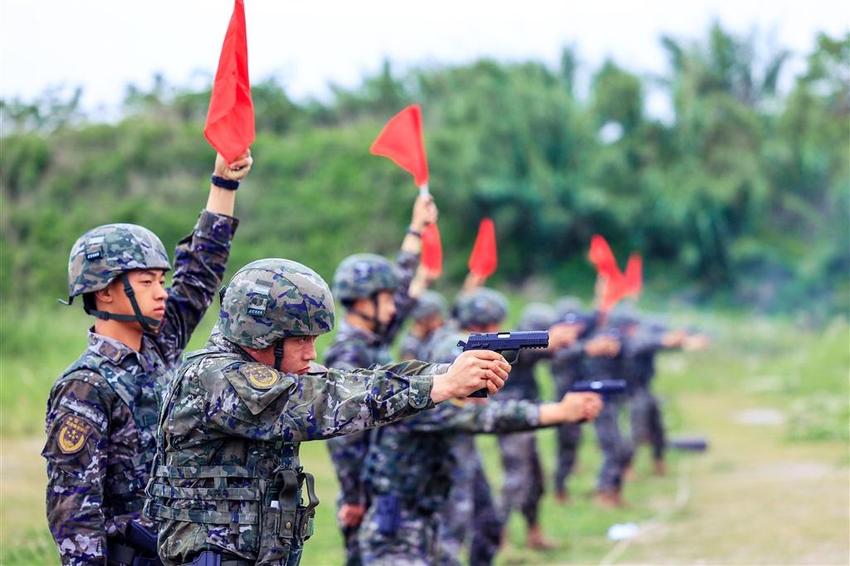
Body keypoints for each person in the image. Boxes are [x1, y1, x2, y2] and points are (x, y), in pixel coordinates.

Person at [144, 258, 510, 565]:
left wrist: (446, 373)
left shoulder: (262, 372)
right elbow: (323, 402)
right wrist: (439, 387)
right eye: (301, 339)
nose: (311, 353)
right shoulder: (215, 377)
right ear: (260, 334)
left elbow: (353, 380)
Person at [42, 150, 253, 565]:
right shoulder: (85, 387)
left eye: (161, 280)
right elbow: (73, 511)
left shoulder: (159, 345)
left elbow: (199, 272)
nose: (161, 292)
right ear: (104, 292)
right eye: (146, 282)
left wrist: (223, 183)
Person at [358, 288, 604, 565]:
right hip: (401, 523)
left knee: (480, 529)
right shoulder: (430, 403)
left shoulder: (441, 386)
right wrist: (559, 411)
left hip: (424, 510)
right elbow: (488, 418)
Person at [325, 195, 438, 565]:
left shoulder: (373, 342)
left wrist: (415, 229)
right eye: (385, 299)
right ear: (360, 302)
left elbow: (401, 286)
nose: (394, 307)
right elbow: (345, 437)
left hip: (381, 481)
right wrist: (354, 495)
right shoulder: (349, 353)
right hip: (364, 489)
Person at [494, 302, 575, 549]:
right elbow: (529, 351)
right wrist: (550, 341)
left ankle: (534, 532)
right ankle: (499, 535)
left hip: (526, 418)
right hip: (510, 419)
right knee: (516, 479)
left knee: (535, 480)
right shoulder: (511, 344)